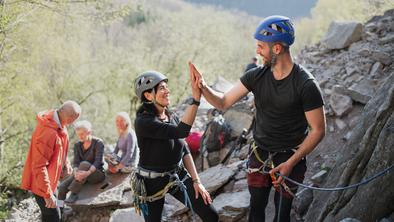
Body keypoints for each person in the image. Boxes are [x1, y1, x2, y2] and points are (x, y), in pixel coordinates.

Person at [190, 15, 326, 222]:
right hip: (260, 153)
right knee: (256, 210)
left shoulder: (306, 84)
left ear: (277, 49)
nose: (257, 51)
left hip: (290, 156)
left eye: (261, 46)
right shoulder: (257, 76)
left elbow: (318, 130)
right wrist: (203, 86)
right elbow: (223, 102)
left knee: (281, 215)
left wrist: (290, 163)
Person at [132, 69, 218, 222]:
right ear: (148, 95)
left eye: (166, 87)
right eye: (162, 88)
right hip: (151, 182)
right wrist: (196, 99)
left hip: (176, 175)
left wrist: (197, 181)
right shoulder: (144, 122)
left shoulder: (172, 117)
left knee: (211, 215)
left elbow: (184, 149)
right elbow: (182, 131)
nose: (167, 91)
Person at [21, 101, 81, 222]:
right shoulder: (48, 132)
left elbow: (61, 147)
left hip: (51, 180)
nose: (73, 122)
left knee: (54, 209)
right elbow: (39, 166)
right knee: (54, 217)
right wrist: (47, 195)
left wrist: (66, 163)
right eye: (73, 119)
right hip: (41, 184)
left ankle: (61, 208)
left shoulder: (59, 123)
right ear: (70, 118)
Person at [58, 120, 106, 203]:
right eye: (78, 135)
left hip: (96, 174)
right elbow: (76, 162)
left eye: (82, 134)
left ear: (89, 132)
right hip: (81, 175)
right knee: (62, 187)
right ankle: (60, 209)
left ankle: (74, 193)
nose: (80, 137)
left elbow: (98, 162)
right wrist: (76, 171)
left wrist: (86, 173)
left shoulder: (98, 143)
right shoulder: (77, 145)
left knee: (84, 164)